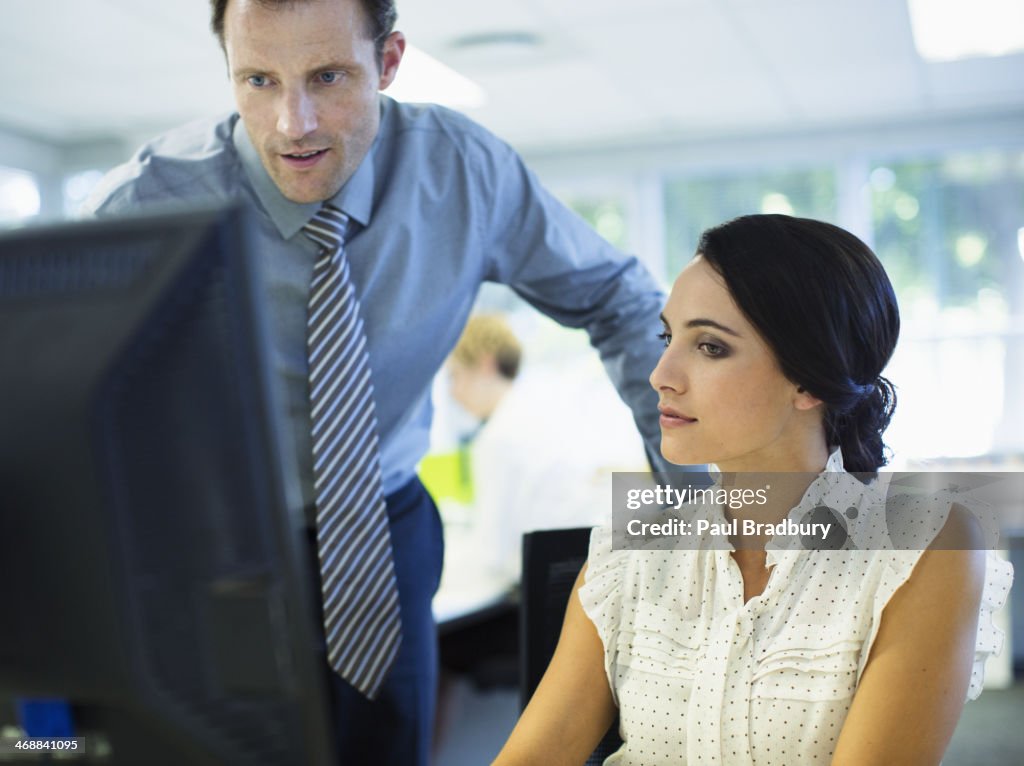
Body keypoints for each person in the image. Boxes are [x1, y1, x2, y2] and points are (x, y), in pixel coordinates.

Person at [84, 1, 667, 764]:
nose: (293, 123)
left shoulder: (462, 171)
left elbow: (621, 300)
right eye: (258, 79)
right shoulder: (151, 200)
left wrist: (698, 500)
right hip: (213, 544)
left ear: (389, 61)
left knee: (385, 752)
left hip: (383, 531)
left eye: (328, 77)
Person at [493, 214, 1014, 765]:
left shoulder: (919, 544)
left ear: (810, 378)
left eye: (711, 347)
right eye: (667, 337)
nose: (661, 374)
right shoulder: (632, 549)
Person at [446, 314, 647, 582]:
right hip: (617, 570)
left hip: (560, 584)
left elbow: (490, 555)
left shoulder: (500, 437)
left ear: (485, 365)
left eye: (454, 376)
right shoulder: (554, 399)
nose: (453, 392)